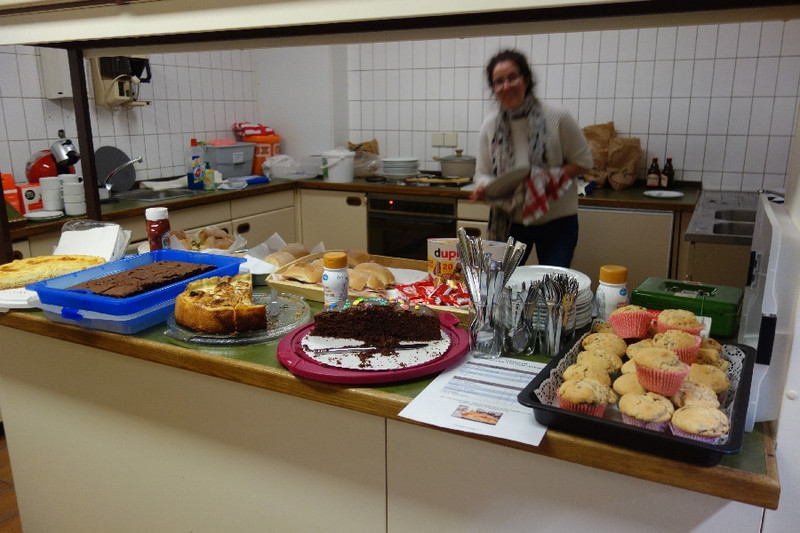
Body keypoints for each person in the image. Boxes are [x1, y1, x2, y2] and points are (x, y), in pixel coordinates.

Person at [470, 49, 592, 268]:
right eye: (498, 82)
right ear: (493, 88)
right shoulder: (490, 126)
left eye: (512, 77)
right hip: (509, 221)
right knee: (500, 282)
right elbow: (482, 174)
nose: (506, 86)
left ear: (525, 79)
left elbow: (583, 161)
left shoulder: (557, 117)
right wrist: (488, 187)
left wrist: (542, 180)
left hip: (557, 222)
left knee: (552, 284)